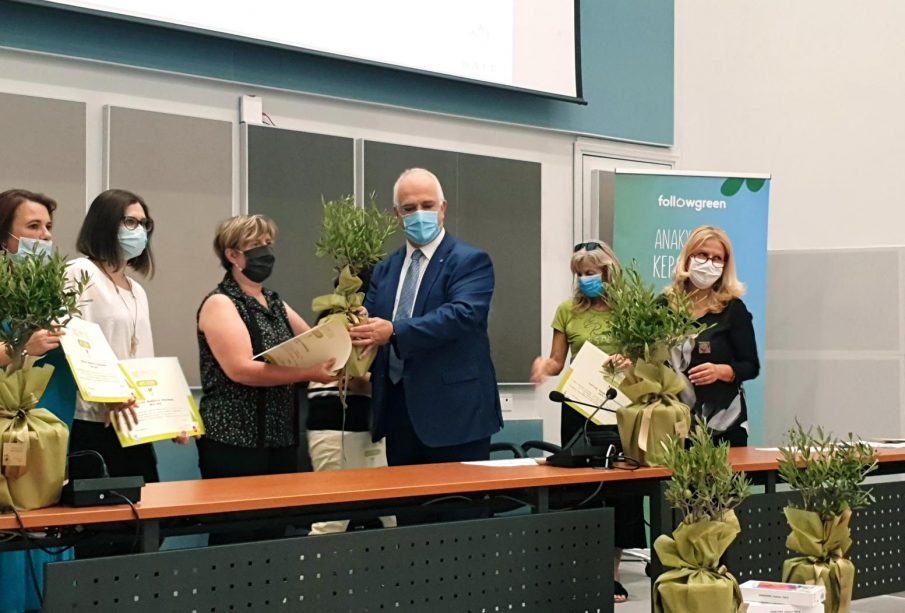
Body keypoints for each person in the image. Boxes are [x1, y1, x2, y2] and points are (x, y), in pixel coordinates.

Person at [349, 168, 502, 466]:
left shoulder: (470, 260)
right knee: (406, 497)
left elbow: (461, 315)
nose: (419, 214)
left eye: (427, 205)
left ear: (443, 208)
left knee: (459, 498)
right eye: (409, 208)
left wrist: (394, 331)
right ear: (397, 214)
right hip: (398, 414)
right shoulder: (384, 269)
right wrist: (353, 324)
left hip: (456, 417)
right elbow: (371, 321)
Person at [529, 239, 644, 604]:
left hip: (620, 407)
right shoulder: (567, 310)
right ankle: (583, 568)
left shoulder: (630, 309)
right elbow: (556, 361)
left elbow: (645, 359)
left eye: (590, 273)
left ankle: (612, 574)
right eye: (579, 274)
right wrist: (543, 367)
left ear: (608, 272)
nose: (584, 280)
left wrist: (627, 360)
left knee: (619, 490)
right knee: (582, 486)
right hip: (579, 407)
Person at [196, 214, 337, 485]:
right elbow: (241, 370)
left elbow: (316, 341)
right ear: (232, 255)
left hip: (280, 437)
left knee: (280, 512)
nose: (265, 252)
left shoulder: (274, 301)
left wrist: (349, 318)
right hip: (234, 439)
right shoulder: (221, 303)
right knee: (241, 513)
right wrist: (308, 373)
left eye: (267, 243)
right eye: (255, 245)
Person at [0, 188, 76, 612]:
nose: (45, 236)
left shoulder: (53, 291)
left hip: (51, 428)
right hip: (6, 435)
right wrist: (19, 348)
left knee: (50, 530)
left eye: (48, 227)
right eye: (33, 226)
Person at [305, 272, 396, 534]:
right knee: (333, 519)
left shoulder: (370, 324)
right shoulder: (337, 322)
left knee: (387, 514)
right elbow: (351, 379)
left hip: (366, 426)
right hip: (336, 428)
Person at [666, 225, 759, 447]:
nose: (709, 263)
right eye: (702, 255)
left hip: (725, 424)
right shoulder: (663, 307)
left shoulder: (733, 309)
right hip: (673, 423)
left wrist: (721, 371)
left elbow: (750, 366)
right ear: (688, 258)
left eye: (717, 258)